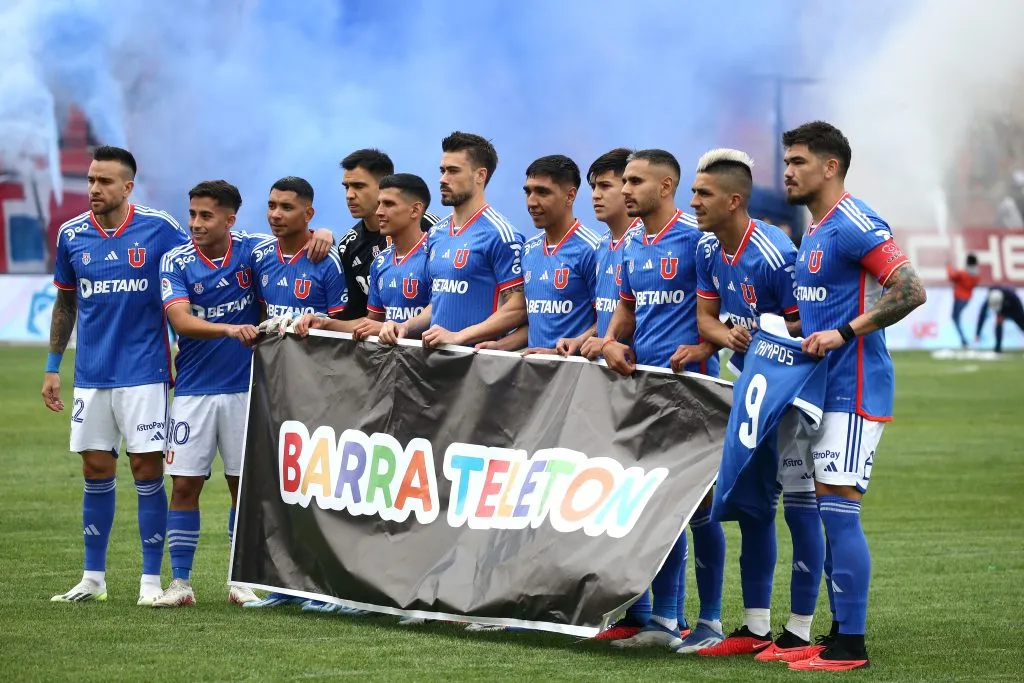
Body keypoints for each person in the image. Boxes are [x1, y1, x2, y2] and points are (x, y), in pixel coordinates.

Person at [781, 121, 926, 670]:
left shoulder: (853, 223)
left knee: (840, 512)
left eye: (797, 161)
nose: (787, 171)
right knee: (827, 510)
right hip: (821, 390)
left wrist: (844, 333)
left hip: (855, 386)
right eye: (786, 161)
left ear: (830, 166)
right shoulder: (815, 230)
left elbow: (910, 288)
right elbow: (819, 315)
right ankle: (837, 632)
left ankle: (851, 646)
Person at [152, 180, 331, 607]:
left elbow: (294, 242)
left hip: (247, 390)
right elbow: (180, 320)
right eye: (192, 214)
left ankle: (241, 579)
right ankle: (180, 583)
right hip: (193, 390)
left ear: (229, 220)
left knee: (243, 488)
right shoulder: (176, 260)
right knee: (184, 487)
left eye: (206, 215)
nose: (196, 223)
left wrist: (323, 233)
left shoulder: (254, 251)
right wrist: (230, 329)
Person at [689, 149, 825, 659]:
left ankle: (801, 630)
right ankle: (755, 626)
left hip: (793, 392)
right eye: (694, 192)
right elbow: (707, 319)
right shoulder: (707, 249)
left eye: (703, 194)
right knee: (753, 506)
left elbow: (806, 322)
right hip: (751, 390)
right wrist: (728, 335)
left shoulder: (773, 251)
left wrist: (767, 333)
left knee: (800, 505)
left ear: (734, 200)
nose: (694, 202)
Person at [44, 146, 188, 605]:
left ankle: (149, 582)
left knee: (146, 469)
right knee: (95, 468)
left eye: (104, 181)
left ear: (127, 187)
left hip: (145, 372)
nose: (94, 189)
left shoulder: (160, 228)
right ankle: (93, 578)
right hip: (91, 374)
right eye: (91, 180)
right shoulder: (71, 234)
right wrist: (52, 367)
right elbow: (66, 302)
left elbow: (197, 264)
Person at [599, 149, 724, 652]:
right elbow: (627, 310)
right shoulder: (631, 242)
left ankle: (711, 623)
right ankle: (665, 621)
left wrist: (704, 347)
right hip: (645, 389)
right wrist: (610, 341)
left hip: (695, 391)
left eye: (635, 181)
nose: (625, 190)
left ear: (666, 186)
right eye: (624, 181)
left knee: (700, 510)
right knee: (657, 507)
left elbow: (728, 309)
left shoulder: (698, 241)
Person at [243, 176, 350, 610]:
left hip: (321, 389)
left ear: (309, 214)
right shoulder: (259, 257)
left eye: (286, 207)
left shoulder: (326, 261)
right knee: (281, 486)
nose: (275, 214)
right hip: (275, 387)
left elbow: (343, 325)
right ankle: (285, 585)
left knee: (321, 487)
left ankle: (327, 587)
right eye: (271, 205)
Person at [378, 131, 526, 349]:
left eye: (453, 171)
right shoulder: (436, 233)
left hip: (477, 362)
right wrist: (405, 326)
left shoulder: (501, 234)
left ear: (480, 175)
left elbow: (518, 308)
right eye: (443, 170)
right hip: (434, 361)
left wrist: (459, 337)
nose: (443, 179)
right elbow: (439, 302)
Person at [295, 173, 433, 339]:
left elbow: (442, 307)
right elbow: (372, 322)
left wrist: (402, 327)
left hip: (432, 355)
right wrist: (324, 323)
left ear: (415, 210)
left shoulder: (435, 255)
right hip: (393, 355)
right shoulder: (380, 262)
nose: (379, 212)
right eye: (379, 204)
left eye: (389, 204)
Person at [336, 149, 439, 321]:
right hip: (381, 337)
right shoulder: (348, 245)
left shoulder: (430, 226)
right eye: (346, 187)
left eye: (358, 186)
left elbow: (446, 299)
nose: (349, 195)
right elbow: (360, 316)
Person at [517, 154, 601, 354]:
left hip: (576, 371)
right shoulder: (528, 250)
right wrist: (499, 346)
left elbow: (610, 319)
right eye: (528, 192)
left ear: (570, 196)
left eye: (542, 192)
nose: (531, 202)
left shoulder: (593, 249)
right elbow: (537, 324)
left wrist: (560, 352)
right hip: (533, 369)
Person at [975, 285, 1024, 352]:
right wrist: (977, 333)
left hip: (1013, 307)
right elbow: (982, 316)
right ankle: (998, 347)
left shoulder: (1012, 297)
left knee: (1021, 324)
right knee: (999, 322)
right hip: (1002, 306)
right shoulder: (989, 299)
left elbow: (1020, 313)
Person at [948, 254, 980, 348]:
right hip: (967, 299)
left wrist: (949, 267)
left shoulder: (963, 273)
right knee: (956, 318)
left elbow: (952, 276)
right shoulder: (976, 275)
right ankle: (964, 340)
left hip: (959, 298)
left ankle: (964, 341)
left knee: (955, 318)